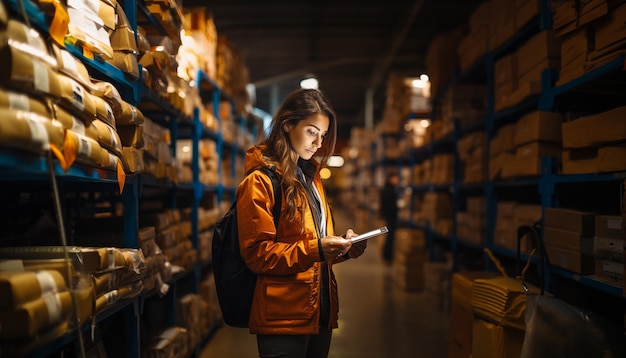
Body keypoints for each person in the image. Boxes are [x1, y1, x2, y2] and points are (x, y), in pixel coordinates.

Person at [236, 88, 368, 358]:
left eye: (323, 134)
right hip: (283, 316)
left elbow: (312, 247)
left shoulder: (312, 179)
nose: (318, 143)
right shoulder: (260, 182)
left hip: (320, 310)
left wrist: (343, 247)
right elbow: (257, 254)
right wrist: (317, 249)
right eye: (311, 131)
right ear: (287, 125)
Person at [380, 172, 399, 263]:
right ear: (391, 178)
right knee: (390, 235)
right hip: (390, 215)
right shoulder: (389, 190)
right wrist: (397, 207)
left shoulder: (389, 188)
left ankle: (387, 254)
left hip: (388, 215)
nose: (397, 180)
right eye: (395, 178)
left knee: (389, 235)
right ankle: (387, 255)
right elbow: (388, 205)